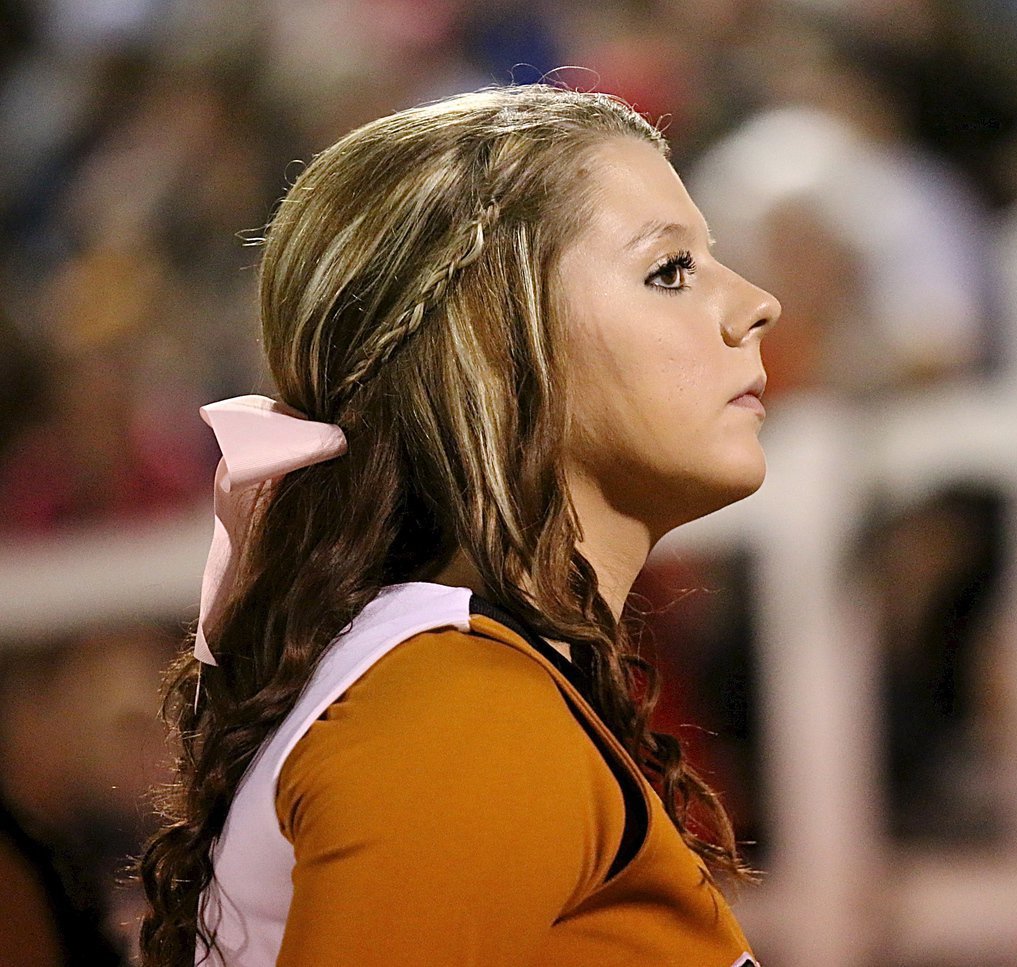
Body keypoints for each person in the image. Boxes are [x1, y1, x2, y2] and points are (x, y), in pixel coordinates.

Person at [138, 83, 779, 967]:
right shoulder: (461, 711)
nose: (756, 303)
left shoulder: (448, 685)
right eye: (670, 270)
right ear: (491, 342)